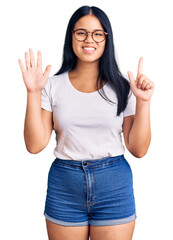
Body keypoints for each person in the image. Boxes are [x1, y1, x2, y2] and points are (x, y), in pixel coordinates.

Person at [18, 5, 155, 240]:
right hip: (65, 185)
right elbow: (34, 145)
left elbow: (139, 149)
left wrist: (143, 102)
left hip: (114, 184)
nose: (88, 39)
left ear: (106, 39)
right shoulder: (51, 85)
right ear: (71, 36)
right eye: (81, 32)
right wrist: (32, 92)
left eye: (97, 33)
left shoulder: (124, 87)